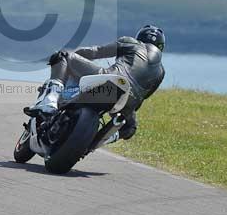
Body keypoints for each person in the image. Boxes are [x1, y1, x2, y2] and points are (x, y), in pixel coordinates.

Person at [26, 24, 166, 142]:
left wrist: (75, 56)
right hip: (129, 102)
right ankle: (103, 139)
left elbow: (96, 52)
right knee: (131, 128)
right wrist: (128, 111)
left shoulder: (132, 43)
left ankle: (50, 100)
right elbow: (144, 96)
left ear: (140, 38)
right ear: (161, 47)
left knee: (63, 56)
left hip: (110, 80)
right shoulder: (161, 72)